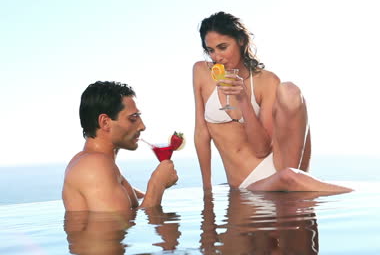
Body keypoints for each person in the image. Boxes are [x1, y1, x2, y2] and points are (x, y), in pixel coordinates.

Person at [193, 11, 351, 192]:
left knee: (289, 91)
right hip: (247, 181)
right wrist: (207, 188)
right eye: (210, 50)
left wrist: (243, 100)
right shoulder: (201, 72)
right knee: (288, 177)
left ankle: (347, 193)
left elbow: (261, 149)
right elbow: (201, 133)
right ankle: (299, 182)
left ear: (241, 41)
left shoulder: (266, 81)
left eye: (223, 47)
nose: (216, 57)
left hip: (278, 165)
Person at [62, 81, 178, 211]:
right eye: (133, 118)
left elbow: (135, 206)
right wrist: (158, 184)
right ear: (105, 122)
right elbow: (115, 227)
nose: (142, 126)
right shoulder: (95, 166)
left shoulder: (97, 165)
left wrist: (160, 183)